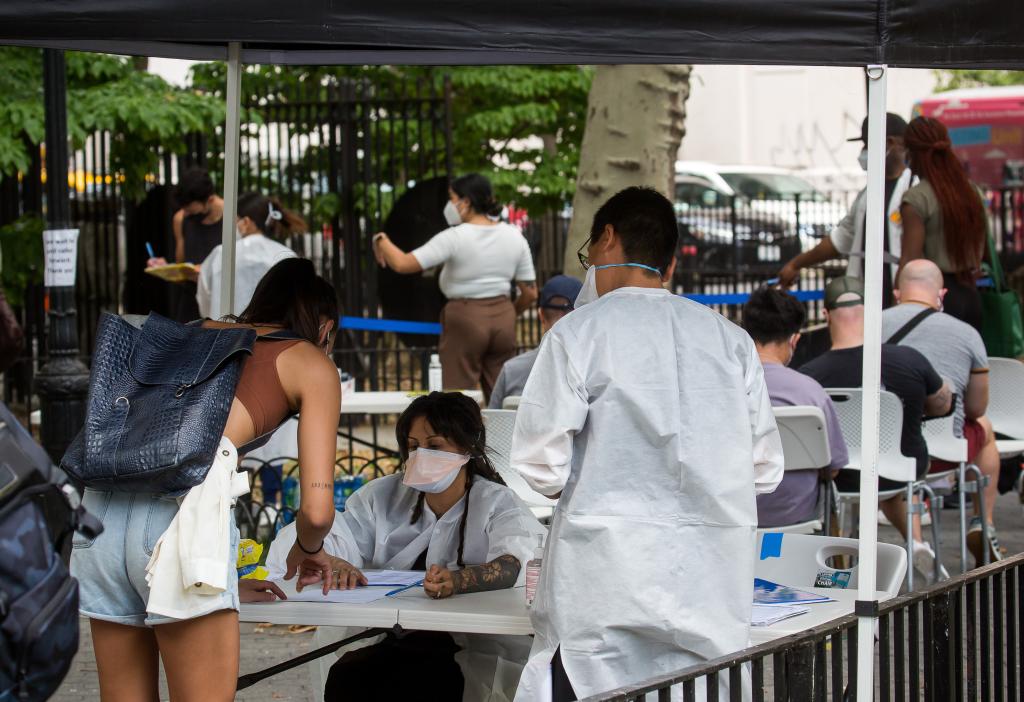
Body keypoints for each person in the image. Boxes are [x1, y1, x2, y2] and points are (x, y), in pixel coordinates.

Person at [509, 187, 784, 701]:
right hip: (709, 580)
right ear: (670, 263)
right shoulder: (731, 341)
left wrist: (611, 480)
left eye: (588, 253)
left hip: (601, 582)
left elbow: (540, 465)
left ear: (607, 238)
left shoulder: (577, 334)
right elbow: (764, 470)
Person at [71, 258, 341, 702]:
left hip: (102, 512)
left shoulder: (192, 331)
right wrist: (309, 549)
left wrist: (226, 578)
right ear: (326, 328)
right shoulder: (310, 362)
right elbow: (316, 511)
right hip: (182, 517)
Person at [267, 392, 547, 702]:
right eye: (413, 446)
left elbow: (516, 561)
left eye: (435, 446)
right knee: (352, 675)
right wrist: (328, 557)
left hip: (468, 644)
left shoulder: (496, 503)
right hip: (387, 637)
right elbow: (327, 535)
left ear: (467, 447)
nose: (421, 455)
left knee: (429, 680)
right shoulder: (383, 496)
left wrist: (459, 581)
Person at [798, 276, 953, 583]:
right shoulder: (909, 359)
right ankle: (916, 542)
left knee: (848, 478)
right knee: (884, 471)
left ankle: (840, 562)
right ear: (871, 312)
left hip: (840, 478)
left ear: (826, 315)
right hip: (900, 470)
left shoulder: (809, 377)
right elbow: (943, 404)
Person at [372, 174, 538, 401]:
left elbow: (402, 264)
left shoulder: (454, 237)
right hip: (504, 320)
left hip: (464, 318)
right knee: (502, 395)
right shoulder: (514, 236)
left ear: (466, 202)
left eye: (452, 198)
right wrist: (508, 313)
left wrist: (381, 240)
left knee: (456, 398)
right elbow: (530, 293)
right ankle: (503, 426)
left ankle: (464, 426)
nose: (449, 205)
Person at [882, 259, 1002, 565]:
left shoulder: (868, 328)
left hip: (883, 453)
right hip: (943, 451)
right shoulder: (966, 334)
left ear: (897, 293)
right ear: (942, 294)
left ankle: (915, 541)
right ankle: (983, 521)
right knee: (985, 426)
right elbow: (975, 407)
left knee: (894, 454)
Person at [779, 113, 914, 308]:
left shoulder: (913, 188)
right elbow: (840, 239)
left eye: (866, 144)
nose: (863, 152)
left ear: (889, 143)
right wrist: (796, 264)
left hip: (902, 299)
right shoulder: (868, 194)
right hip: (867, 302)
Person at [742, 287, 849, 528]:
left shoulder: (728, 389)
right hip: (799, 515)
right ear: (794, 340)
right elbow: (832, 468)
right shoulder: (811, 392)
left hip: (738, 514)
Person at [899, 116, 988, 332]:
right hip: (972, 296)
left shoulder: (917, 198)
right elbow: (983, 249)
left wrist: (897, 305)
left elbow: (910, 261)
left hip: (936, 299)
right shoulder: (973, 192)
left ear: (913, 153)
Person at [197, 192, 301, 319]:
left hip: (224, 330)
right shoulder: (287, 256)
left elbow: (204, 299)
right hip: (273, 331)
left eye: (235, 221)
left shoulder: (221, 254)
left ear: (246, 222)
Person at [488, 274, 583, 409]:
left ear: (541, 315)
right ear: (584, 319)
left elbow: (493, 420)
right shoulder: (597, 372)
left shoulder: (511, 371)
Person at [146, 167, 225, 321]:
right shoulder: (180, 219)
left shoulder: (233, 218)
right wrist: (165, 268)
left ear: (210, 200)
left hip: (220, 300)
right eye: (185, 210)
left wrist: (206, 272)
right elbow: (181, 265)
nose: (187, 215)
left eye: (192, 212)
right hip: (191, 300)